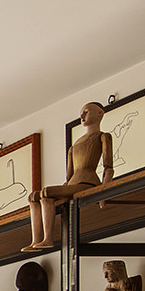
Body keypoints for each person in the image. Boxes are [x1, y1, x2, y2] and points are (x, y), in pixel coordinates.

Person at [26, 102, 117, 251]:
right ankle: (36, 240)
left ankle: (48, 238)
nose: (82, 115)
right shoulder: (74, 146)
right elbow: (69, 177)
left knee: (46, 193)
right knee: (34, 196)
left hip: (88, 182)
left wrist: (103, 194)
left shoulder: (103, 137)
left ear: (100, 114)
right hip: (73, 184)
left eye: (86, 112)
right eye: (82, 112)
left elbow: (108, 168)